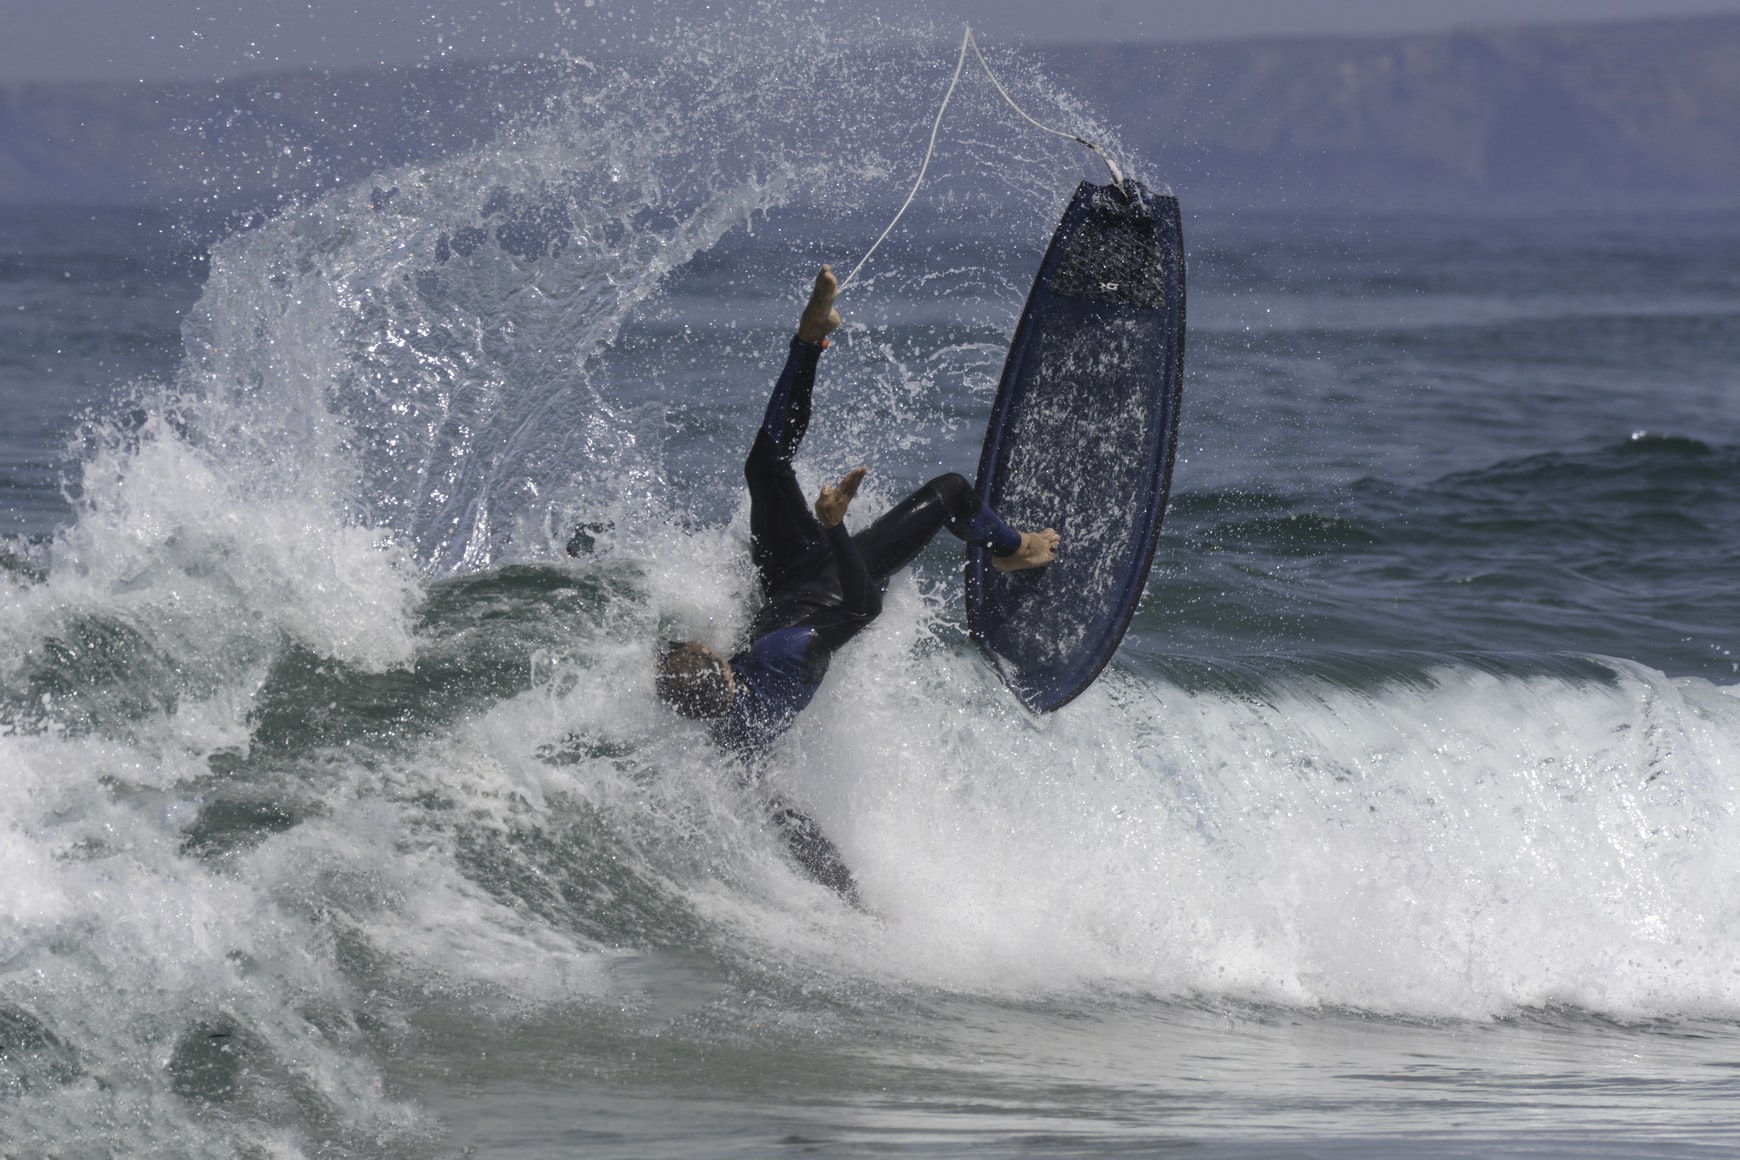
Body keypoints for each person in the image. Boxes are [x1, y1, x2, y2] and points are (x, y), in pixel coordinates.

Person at [656, 265, 1058, 902]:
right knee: (953, 492)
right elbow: (866, 608)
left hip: (785, 580)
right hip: (837, 585)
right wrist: (836, 529)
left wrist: (841, 890)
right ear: (721, 667)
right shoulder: (786, 656)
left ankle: (813, 336)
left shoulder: (732, 743)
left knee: (765, 465)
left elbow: (780, 816)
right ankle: (1017, 551)